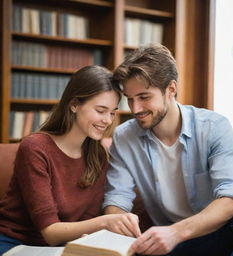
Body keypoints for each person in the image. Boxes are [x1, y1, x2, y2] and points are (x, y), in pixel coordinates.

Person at [103, 44, 233, 256]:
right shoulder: (124, 137)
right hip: (174, 248)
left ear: (171, 89)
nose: (135, 109)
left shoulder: (214, 127)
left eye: (144, 97)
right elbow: (116, 200)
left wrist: (176, 232)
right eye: (130, 99)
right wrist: (119, 223)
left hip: (221, 233)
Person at [0, 65, 140, 255]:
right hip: (15, 244)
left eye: (112, 112)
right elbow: (50, 232)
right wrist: (106, 222)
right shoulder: (35, 148)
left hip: (62, 248)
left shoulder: (98, 155)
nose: (108, 120)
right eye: (100, 110)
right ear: (74, 104)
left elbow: (86, 220)